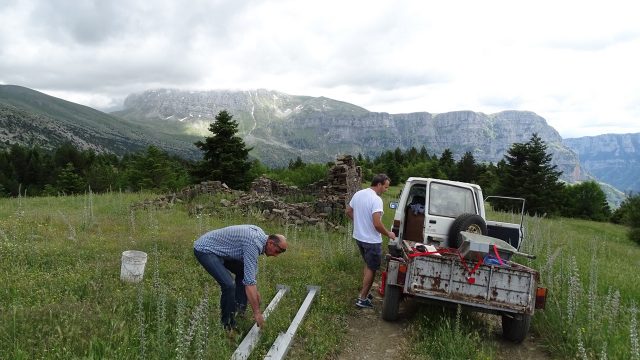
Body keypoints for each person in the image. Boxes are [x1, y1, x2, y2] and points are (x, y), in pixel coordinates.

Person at [193, 224, 288, 330]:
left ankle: (238, 312)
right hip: (206, 250)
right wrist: (257, 312)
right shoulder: (253, 243)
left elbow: (249, 273)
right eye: (277, 251)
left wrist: (255, 293)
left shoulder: (261, 237)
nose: (276, 255)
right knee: (229, 285)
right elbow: (249, 283)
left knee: (243, 273)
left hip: (221, 250)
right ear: (270, 243)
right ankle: (228, 325)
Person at [345, 173, 397, 309]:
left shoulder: (359, 194)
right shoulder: (376, 200)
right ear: (379, 185)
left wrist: (360, 222)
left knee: (368, 265)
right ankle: (362, 299)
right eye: (385, 187)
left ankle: (365, 293)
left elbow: (348, 211)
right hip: (371, 241)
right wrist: (389, 234)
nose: (386, 190)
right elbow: (377, 224)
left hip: (359, 238)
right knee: (372, 268)